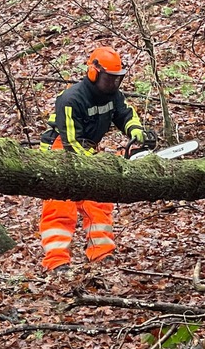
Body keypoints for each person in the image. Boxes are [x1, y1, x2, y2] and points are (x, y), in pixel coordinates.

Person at [39, 46, 156, 274]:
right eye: (108, 79)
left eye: (116, 80)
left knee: (99, 202)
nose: (112, 85)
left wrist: (136, 131)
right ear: (93, 73)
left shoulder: (114, 96)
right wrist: (98, 166)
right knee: (61, 208)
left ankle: (101, 254)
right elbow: (71, 142)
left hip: (88, 150)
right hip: (59, 152)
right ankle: (56, 261)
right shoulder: (71, 99)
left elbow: (125, 114)